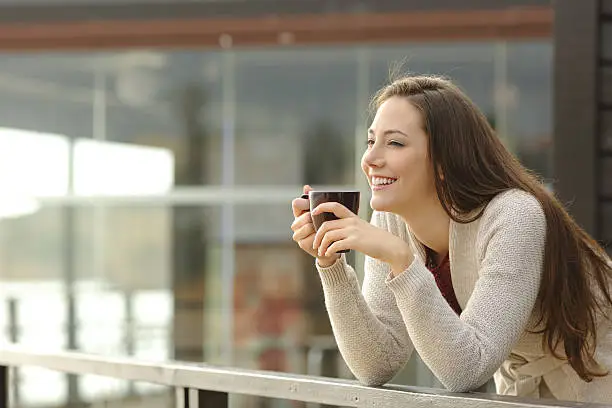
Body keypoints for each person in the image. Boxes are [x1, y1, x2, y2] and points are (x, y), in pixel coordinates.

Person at [290, 75, 612, 403]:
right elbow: (377, 363)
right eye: (371, 141)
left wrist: (401, 260)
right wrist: (331, 264)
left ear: (444, 161)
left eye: (395, 143)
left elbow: (467, 369)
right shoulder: (390, 218)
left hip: (597, 376)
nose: (370, 159)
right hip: (521, 390)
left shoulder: (514, 215)